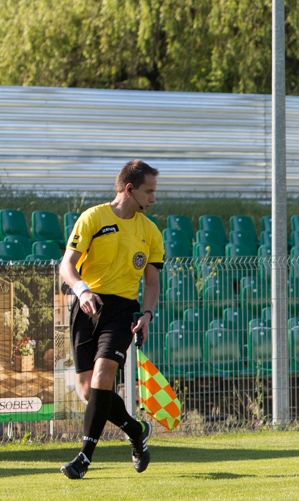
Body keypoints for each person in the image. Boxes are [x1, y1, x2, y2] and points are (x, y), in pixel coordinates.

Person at [59, 160, 165, 479]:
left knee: (104, 375)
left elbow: (151, 282)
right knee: (88, 390)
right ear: (129, 189)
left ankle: (84, 459)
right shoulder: (93, 217)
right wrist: (82, 290)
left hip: (122, 311)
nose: (153, 198)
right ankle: (135, 430)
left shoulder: (150, 232)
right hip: (87, 305)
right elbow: (67, 265)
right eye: (149, 191)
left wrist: (146, 314)